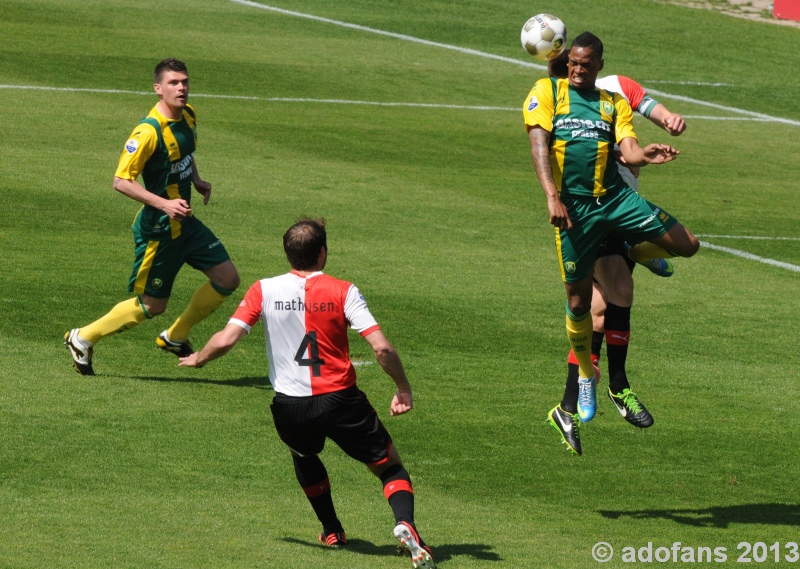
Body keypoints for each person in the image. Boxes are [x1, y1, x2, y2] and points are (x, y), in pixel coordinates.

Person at [178, 219, 435, 569]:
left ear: (288, 253)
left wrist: (198, 359)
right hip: (341, 401)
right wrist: (402, 388)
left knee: (304, 455)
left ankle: (332, 531)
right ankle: (406, 526)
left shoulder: (262, 290)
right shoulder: (344, 291)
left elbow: (226, 338)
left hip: (290, 406)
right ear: (323, 252)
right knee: (390, 468)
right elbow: (382, 349)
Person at [523, 33, 700, 455]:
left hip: (618, 204)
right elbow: (538, 145)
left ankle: (594, 395)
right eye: (572, 63)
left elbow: (633, 142)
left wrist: (647, 155)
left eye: (585, 63)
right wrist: (551, 196)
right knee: (592, 304)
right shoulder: (548, 91)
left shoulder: (616, 95)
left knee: (684, 247)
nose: (577, 69)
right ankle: (595, 382)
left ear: (599, 63)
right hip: (578, 213)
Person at [64, 58, 240, 375]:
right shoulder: (147, 133)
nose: (182, 87)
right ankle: (84, 337)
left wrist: (196, 180)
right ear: (158, 88)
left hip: (185, 224)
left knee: (227, 278)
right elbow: (121, 181)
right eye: (174, 83)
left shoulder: (188, 115)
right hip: (160, 230)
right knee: (152, 306)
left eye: (185, 81)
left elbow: (184, 154)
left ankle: (176, 336)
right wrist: (164, 204)